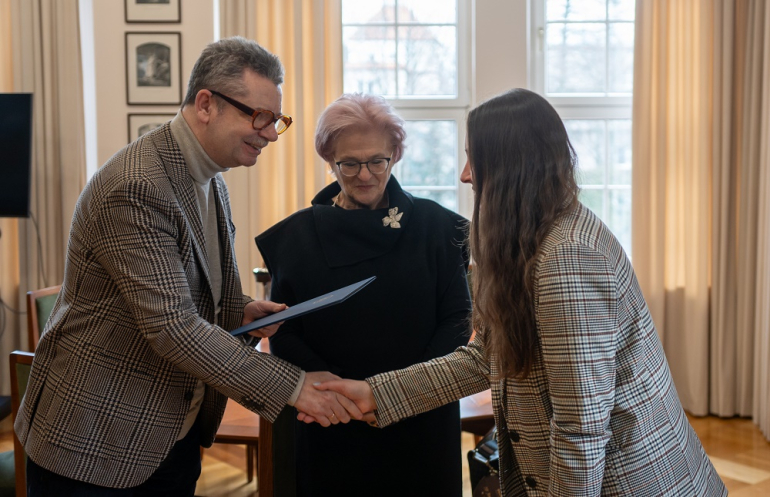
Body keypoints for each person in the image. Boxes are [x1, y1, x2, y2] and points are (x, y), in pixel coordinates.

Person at [312, 89, 728, 496]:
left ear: (511, 167)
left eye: (474, 158)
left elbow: (580, 429)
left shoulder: (567, 259)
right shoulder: (535, 239)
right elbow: (485, 358)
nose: (465, 175)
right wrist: (376, 394)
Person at [15, 36, 360, 496]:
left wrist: (238, 308)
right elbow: (172, 328)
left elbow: (185, 283)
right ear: (205, 104)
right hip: (97, 440)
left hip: (168, 431)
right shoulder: (137, 186)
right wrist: (295, 387)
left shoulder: (208, 175)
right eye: (259, 116)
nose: (271, 133)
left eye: (276, 120)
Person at [255, 93, 472, 496]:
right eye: (349, 163)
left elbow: (457, 321)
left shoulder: (438, 228)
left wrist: (401, 395)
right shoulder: (296, 237)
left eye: (377, 160)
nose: (365, 174)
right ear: (329, 159)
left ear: (395, 155)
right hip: (327, 419)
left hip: (419, 418)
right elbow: (284, 330)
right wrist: (336, 396)